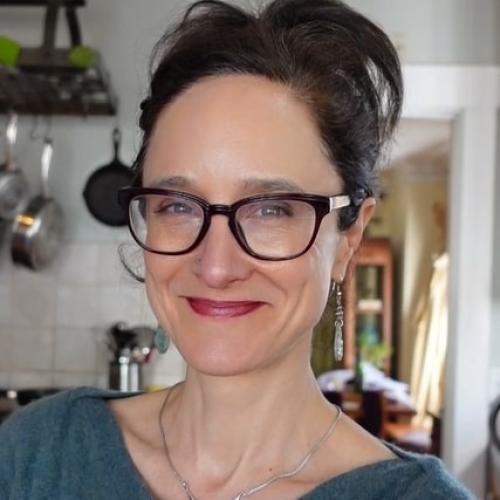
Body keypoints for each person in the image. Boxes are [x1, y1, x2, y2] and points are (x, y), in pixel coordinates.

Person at [0, 0, 474, 498]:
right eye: (178, 205)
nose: (216, 266)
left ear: (348, 238)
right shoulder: (36, 452)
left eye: (271, 209)